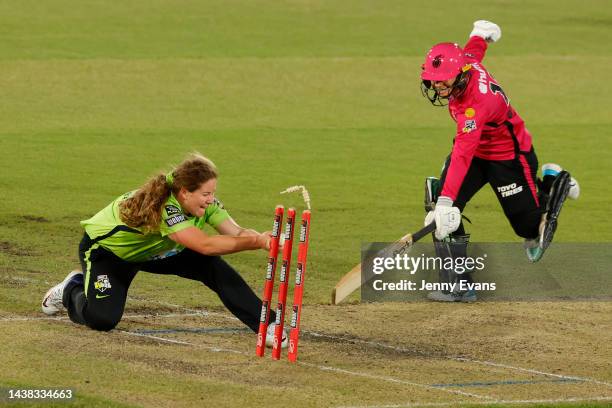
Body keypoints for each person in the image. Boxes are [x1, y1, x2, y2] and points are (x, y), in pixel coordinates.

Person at [41, 153, 285, 347]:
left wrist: (265, 237)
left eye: (213, 193)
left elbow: (237, 232)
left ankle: (267, 325)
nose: (211, 199)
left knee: (213, 268)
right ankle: (71, 287)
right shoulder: (165, 207)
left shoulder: (203, 204)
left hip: (158, 251)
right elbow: (204, 244)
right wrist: (257, 243)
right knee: (102, 319)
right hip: (109, 254)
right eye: (206, 193)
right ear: (184, 192)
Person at [419, 21, 579, 302]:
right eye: (434, 78)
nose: (437, 84)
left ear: (460, 75)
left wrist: (446, 202)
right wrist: (480, 35)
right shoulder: (464, 66)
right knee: (442, 204)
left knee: (529, 230)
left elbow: (462, 153)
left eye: (443, 79)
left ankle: (555, 182)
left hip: (509, 156)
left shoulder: (475, 105)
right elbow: (472, 53)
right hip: (477, 153)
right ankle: (458, 284)